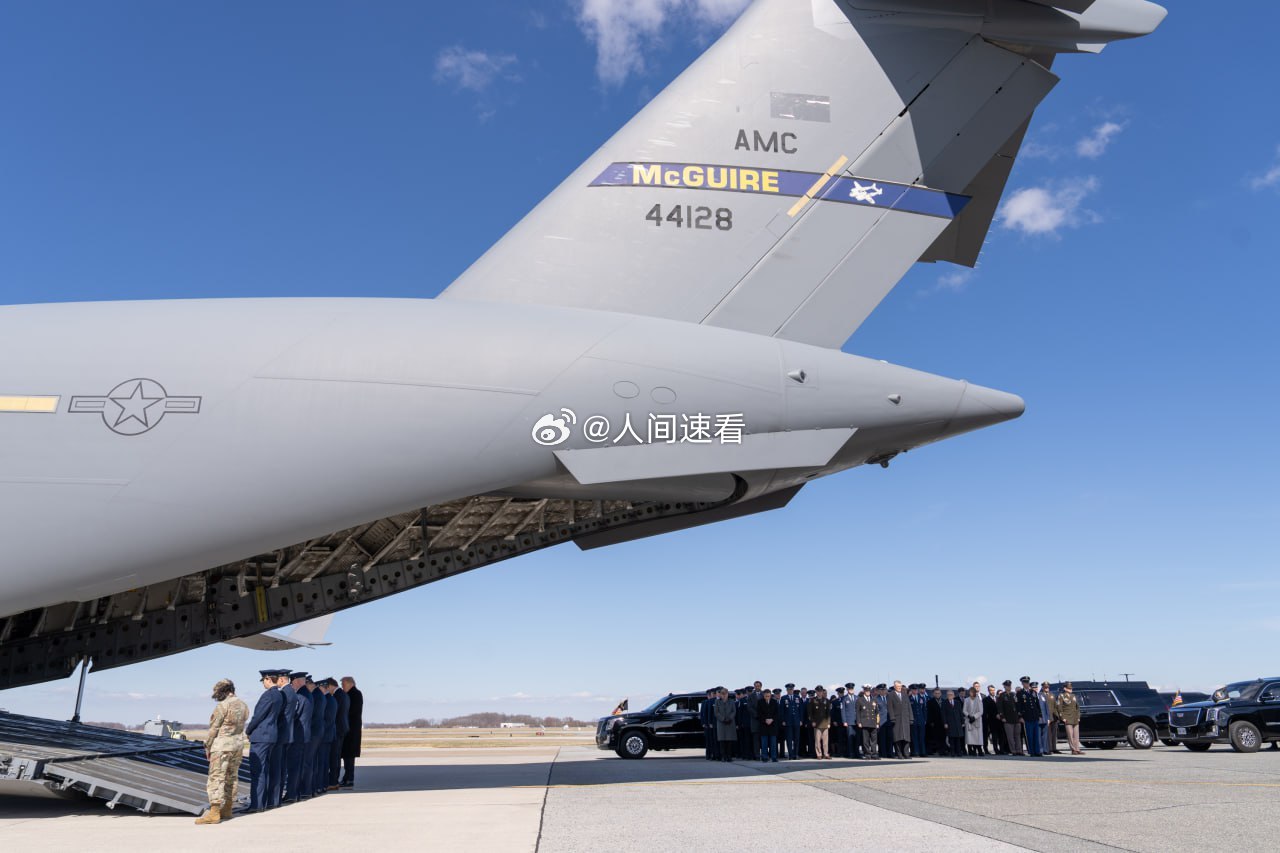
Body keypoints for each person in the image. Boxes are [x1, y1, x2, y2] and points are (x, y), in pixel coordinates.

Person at [196, 678, 249, 825]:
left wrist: (207, 746)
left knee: (216, 777)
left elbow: (213, 730)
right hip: (238, 746)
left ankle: (214, 812)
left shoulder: (222, 706)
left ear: (225, 691)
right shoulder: (244, 705)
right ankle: (227, 808)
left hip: (221, 747)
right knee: (232, 777)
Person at [244, 668, 285, 813]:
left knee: (258, 771)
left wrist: (248, 730)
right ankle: (264, 802)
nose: (263, 684)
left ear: (268, 679)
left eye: (264, 681)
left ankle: (257, 804)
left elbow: (258, 717)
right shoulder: (279, 695)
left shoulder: (268, 696)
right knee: (265, 770)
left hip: (261, 736)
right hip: (272, 736)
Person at [284, 671, 312, 803]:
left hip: (298, 735)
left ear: (296, 681)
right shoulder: (307, 694)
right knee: (300, 765)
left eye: (292, 681)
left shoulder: (300, 696)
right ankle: (300, 792)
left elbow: (294, 715)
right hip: (304, 735)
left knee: (294, 767)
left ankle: (292, 794)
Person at [271, 671, 294, 807]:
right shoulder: (291, 692)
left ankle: (275, 798)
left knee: (278, 767)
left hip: (281, 734)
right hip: (287, 734)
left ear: (281, 680)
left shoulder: (285, 693)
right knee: (282, 767)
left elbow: (281, 715)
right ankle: (277, 797)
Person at [340, 675, 363, 787]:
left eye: (343, 684)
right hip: (349, 730)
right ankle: (347, 777)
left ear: (350, 684)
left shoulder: (355, 694)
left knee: (349, 756)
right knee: (347, 755)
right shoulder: (349, 694)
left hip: (352, 730)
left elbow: (352, 711)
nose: (342, 687)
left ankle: (349, 778)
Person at [306, 675, 327, 796]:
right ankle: (314, 788)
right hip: (319, 732)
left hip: (314, 732)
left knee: (310, 762)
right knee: (315, 762)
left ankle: (310, 789)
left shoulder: (315, 696)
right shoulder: (320, 695)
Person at [330, 675, 351, 789]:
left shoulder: (337, 696)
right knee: (336, 756)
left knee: (334, 756)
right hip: (342, 728)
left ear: (331, 686)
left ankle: (333, 780)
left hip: (338, 729)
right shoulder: (344, 695)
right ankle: (335, 780)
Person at [1016, 676, 1043, 756]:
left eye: (1027, 683)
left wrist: (1040, 714)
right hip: (1027, 717)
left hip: (1035, 716)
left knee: (1036, 735)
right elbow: (1018, 706)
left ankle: (1037, 751)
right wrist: (1020, 717)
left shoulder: (1033, 692)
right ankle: (1032, 751)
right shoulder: (1020, 693)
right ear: (1022, 683)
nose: (1026, 684)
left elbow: (1037, 704)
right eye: (1025, 683)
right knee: (1029, 736)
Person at [1055, 682, 1084, 755]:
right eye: (1069, 688)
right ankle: (1073, 749)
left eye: (1071, 688)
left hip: (1075, 718)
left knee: (1076, 735)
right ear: (1065, 688)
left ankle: (1077, 749)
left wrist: (1078, 717)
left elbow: (1077, 707)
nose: (1071, 689)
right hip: (1067, 718)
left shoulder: (1073, 696)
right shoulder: (1061, 696)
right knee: (1070, 735)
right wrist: (1063, 717)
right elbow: (1059, 707)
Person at [997, 680, 1023, 756]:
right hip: (1008, 719)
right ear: (1004, 686)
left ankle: (1019, 750)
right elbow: (1000, 707)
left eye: (1010, 686)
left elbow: (1018, 706)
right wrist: (1002, 717)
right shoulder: (1002, 695)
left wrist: (1020, 716)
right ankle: (1013, 750)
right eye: (1007, 686)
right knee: (1010, 737)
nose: (1009, 687)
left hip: (1016, 718)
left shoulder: (1014, 694)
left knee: (1017, 736)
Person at [887, 681, 912, 759]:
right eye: (898, 686)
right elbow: (890, 707)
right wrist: (892, 718)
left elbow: (909, 707)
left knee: (906, 738)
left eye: (900, 686)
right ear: (894, 687)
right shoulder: (891, 695)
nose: (899, 688)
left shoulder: (905, 695)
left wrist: (911, 718)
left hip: (905, 719)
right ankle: (899, 754)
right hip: (896, 719)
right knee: (897, 738)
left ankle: (906, 754)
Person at [856, 684, 879, 759]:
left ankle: (874, 753)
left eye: (869, 691)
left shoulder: (874, 699)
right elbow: (857, 712)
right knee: (865, 740)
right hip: (864, 722)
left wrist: (877, 722)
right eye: (866, 691)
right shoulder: (860, 700)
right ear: (864, 691)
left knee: (874, 740)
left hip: (873, 722)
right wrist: (859, 722)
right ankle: (867, 753)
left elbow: (877, 712)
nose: (868, 692)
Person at [808, 685, 832, 759]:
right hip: (817, 723)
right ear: (816, 692)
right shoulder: (812, 700)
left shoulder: (826, 700)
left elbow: (828, 713)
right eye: (818, 691)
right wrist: (812, 721)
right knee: (817, 740)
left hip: (825, 723)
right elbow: (810, 713)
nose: (819, 693)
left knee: (825, 741)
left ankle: (826, 753)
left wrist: (828, 723)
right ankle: (819, 754)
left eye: (821, 691)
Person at [715, 687, 737, 761]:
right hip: (721, 723)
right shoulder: (717, 702)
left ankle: (729, 756)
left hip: (730, 723)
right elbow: (716, 712)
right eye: (722, 694)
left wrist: (730, 718)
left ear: (727, 694)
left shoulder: (731, 701)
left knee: (729, 741)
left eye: (725, 693)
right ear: (720, 694)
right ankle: (723, 756)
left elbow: (734, 711)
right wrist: (723, 719)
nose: (724, 695)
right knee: (722, 741)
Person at [757, 689, 780, 762]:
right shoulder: (760, 702)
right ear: (763, 695)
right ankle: (764, 757)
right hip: (764, 725)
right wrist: (765, 720)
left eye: (769, 696)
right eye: (766, 696)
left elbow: (777, 713)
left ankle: (774, 757)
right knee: (764, 742)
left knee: (773, 742)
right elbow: (759, 713)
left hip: (772, 725)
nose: (767, 697)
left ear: (770, 695)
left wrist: (772, 719)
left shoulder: (774, 702)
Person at [780, 684, 801, 760]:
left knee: (796, 739)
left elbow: (800, 710)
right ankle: (790, 754)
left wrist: (800, 720)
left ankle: (795, 754)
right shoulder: (783, 698)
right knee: (789, 739)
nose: (790, 691)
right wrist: (783, 720)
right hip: (788, 722)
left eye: (791, 689)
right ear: (787, 690)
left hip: (796, 721)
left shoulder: (797, 697)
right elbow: (781, 711)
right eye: (789, 689)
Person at [963, 686, 985, 756]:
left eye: (972, 692)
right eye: (970, 692)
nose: (971, 693)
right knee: (969, 737)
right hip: (969, 720)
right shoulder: (966, 700)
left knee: (977, 737)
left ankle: (979, 749)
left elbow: (981, 711)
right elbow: (964, 710)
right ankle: (970, 750)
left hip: (977, 720)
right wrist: (969, 716)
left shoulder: (978, 700)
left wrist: (974, 717)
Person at [983, 685, 1004, 755]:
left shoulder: (998, 698)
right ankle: (996, 750)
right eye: (991, 690)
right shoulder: (986, 699)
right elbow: (986, 711)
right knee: (994, 736)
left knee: (1001, 736)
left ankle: (1002, 750)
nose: (993, 691)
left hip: (1000, 721)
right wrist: (995, 715)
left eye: (993, 690)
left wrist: (1000, 715)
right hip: (992, 721)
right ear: (988, 691)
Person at [841, 683, 860, 759]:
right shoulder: (844, 698)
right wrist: (844, 721)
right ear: (847, 690)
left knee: (857, 738)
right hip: (849, 721)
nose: (851, 690)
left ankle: (857, 753)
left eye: (852, 689)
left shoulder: (857, 698)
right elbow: (843, 711)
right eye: (849, 689)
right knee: (850, 738)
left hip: (856, 721)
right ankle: (851, 753)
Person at [701, 688, 719, 760]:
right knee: (709, 741)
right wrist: (704, 723)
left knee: (715, 740)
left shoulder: (716, 701)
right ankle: (709, 755)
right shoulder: (705, 702)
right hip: (708, 724)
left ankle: (714, 755)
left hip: (714, 724)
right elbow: (703, 714)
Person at [910, 685, 929, 757]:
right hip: (913, 720)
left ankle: (922, 751)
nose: (915, 691)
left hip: (921, 720)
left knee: (922, 736)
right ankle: (916, 752)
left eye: (916, 690)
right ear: (911, 690)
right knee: (914, 737)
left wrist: (925, 719)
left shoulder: (921, 698)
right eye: (913, 690)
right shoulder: (909, 698)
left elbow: (924, 709)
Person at [925, 688, 945, 755]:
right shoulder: (930, 702)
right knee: (934, 738)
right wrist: (931, 722)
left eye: (938, 693)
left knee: (942, 737)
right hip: (934, 723)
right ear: (933, 694)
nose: (937, 694)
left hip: (942, 722)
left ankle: (942, 751)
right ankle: (934, 750)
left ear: (941, 694)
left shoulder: (944, 701)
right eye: (936, 693)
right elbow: (929, 713)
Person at [1041, 681, 1059, 755]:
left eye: (1047, 687)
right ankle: (1049, 748)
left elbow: (1055, 706)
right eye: (1045, 687)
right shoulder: (1041, 695)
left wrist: (1057, 716)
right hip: (1046, 717)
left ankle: (1054, 748)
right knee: (1048, 734)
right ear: (1042, 687)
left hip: (1053, 717)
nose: (1046, 688)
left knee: (1054, 734)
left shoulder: (1052, 695)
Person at [875, 685, 892, 759]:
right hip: (881, 722)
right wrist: (877, 722)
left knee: (890, 738)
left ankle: (890, 753)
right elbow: (875, 712)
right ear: (879, 691)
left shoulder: (889, 698)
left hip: (889, 721)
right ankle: (883, 753)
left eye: (884, 690)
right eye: (882, 690)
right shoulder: (876, 699)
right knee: (882, 739)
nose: (884, 691)